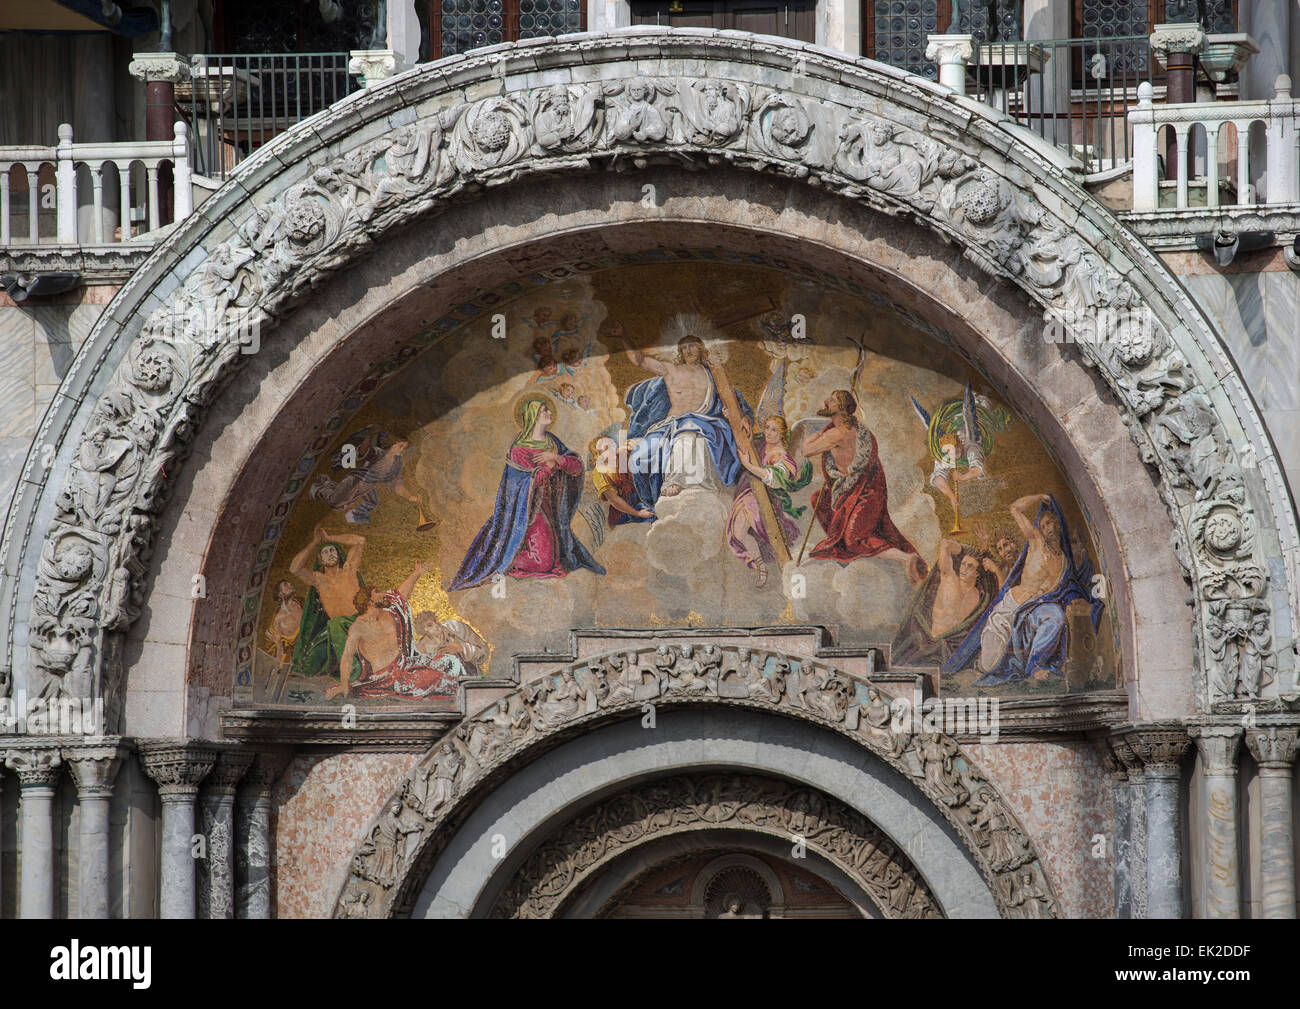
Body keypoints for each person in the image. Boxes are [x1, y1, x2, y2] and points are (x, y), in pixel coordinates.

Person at [943, 494, 1102, 684]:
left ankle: (1035, 666)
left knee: (1057, 618)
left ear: (1058, 524)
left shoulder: (1065, 563)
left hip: (1037, 608)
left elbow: (1070, 589)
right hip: (1012, 607)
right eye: (1042, 526)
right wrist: (1041, 497)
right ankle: (983, 665)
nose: (1045, 529)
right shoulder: (1036, 543)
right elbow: (1014, 508)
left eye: (1049, 523)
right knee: (990, 664)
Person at [450, 394, 605, 589]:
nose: (549, 413)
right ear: (533, 416)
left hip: (553, 510)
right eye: (544, 410)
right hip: (529, 513)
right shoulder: (519, 451)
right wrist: (549, 467)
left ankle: (512, 555)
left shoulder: (553, 443)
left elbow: (576, 468)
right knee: (544, 562)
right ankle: (506, 558)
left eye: (548, 409)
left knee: (559, 559)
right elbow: (521, 486)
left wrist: (556, 459)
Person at [614, 324, 753, 506]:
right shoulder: (671, 369)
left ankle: (674, 481)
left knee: (686, 436)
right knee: (638, 458)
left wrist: (745, 417)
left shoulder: (714, 374)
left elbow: (734, 400)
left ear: (701, 347)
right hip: (669, 425)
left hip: (702, 423)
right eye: (684, 347)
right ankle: (651, 503)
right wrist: (624, 335)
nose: (688, 350)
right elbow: (639, 360)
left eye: (692, 345)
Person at [801, 390, 925, 582]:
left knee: (854, 539)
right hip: (856, 492)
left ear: (841, 409)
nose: (826, 401)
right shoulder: (858, 429)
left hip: (863, 494)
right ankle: (890, 558)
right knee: (818, 498)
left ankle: (906, 558)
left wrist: (817, 434)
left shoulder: (836, 434)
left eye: (832, 401)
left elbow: (806, 450)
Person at [328, 559, 462, 700]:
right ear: (370, 602)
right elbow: (347, 656)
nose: (383, 594)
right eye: (377, 592)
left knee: (450, 661)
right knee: (434, 679)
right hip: (386, 677)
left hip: (405, 664)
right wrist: (344, 684)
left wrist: (417, 572)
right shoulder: (358, 627)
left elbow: (401, 594)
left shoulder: (390, 611)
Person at [725, 415, 812, 586]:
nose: (769, 433)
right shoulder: (762, 444)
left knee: (741, 532)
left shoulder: (781, 455)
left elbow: (774, 478)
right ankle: (760, 565)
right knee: (737, 533)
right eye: (767, 428)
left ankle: (763, 569)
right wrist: (731, 418)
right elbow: (744, 440)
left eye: (774, 430)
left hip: (762, 498)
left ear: (782, 434)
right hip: (748, 493)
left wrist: (749, 465)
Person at [891, 539, 998, 666]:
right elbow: (945, 544)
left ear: (977, 573)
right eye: (963, 564)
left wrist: (995, 568)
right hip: (933, 644)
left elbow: (1004, 594)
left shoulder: (981, 596)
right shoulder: (949, 578)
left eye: (970, 566)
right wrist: (965, 550)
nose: (963, 569)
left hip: (954, 651)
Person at [289, 526, 366, 678]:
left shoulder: (349, 569)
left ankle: (353, 673)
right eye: (325, 552)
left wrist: (330, 538)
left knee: (335, 624)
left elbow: (360, 541)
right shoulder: (319, 580)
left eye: (332, 550)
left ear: (338, 553)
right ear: (320, 559)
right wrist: (314, 543)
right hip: (335, 628)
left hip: (357, 622)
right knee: (311, 658)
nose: (330, 554)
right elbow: (294, 568)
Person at [588, 434, 654, 527]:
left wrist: (634, 445)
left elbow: (641, 443)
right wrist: (638, 513)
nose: (612, 449)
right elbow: (614, 499)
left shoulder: (620, 456)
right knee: (653, 516)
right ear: (598, 453)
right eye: (607, 448)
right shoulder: (599, 472)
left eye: (612, 445)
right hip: (625, 511)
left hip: (640, 495)